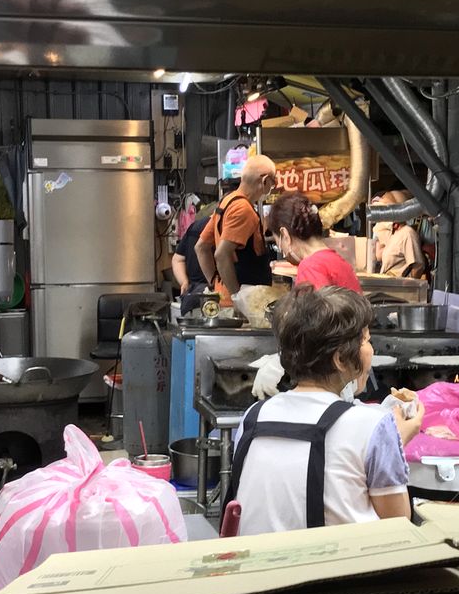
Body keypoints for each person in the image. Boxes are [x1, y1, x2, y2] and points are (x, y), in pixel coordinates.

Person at [226, 285, 423, 535]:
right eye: (366, 340)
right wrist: (395, 442)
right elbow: (398, 523)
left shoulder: (254, 415)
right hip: (336, 559)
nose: (371, 349)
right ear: (340, 359)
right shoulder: (372, 425)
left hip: (260, 558)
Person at [195, 155, 277, 304]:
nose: (273, 188)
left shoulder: (227, 202)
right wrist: (238, 299)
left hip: (225, 296)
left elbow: (201, 247)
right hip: (244, 302)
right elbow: (221, 255)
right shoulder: (243, 209)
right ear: (265, 180)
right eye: (273, 182)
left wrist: (215, 284)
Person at [268, 192, 362, 292]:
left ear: (285, 235)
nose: (282, 250)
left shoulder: (310, 267)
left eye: (279, 243)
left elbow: (314, 302)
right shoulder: (338, 261)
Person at [172, 213, 213, 314]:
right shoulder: (223, 227)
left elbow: (178, 259)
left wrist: (184, 282)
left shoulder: (194, 227)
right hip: (214, 294)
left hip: (191, 294)